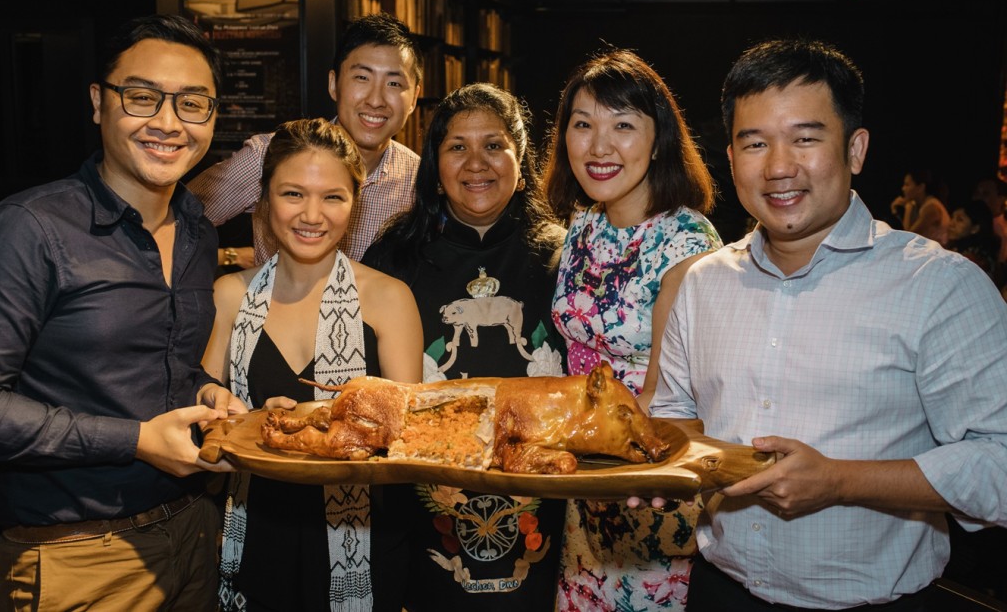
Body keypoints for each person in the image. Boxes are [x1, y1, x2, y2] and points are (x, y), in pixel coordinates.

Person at [649, 38, 1007, 610]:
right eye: (756, 143)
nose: (780, 166)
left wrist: (841, 480)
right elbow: (672, 413)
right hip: (721, 591)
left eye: (805, 138)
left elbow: (1001, 463)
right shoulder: (703, 283)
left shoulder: (939, 286)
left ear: (856, 149)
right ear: (732, 156)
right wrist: (660, 466)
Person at [0, 14, 245, 610]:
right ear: (100, 104)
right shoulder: (29, 230)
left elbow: (163, 368)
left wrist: (207, 395)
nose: (168, 123)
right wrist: (134, 440)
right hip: (78, 556)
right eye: (143, 97)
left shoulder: (198, 230)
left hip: (195, 534)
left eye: (192, 103)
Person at [202, 118, 423, 611]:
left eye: (333, 197)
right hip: (255, 538)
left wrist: (322, 430)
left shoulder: (389, 299)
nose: (312, 215)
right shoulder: (228, 296)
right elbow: (204, 435)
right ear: (263, 199)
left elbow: (407, 446)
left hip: (364, 547)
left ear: (355, 202)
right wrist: (245, 422)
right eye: (293, 194)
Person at [362, 83, 568, 611]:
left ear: (521, 160)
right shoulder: (394, 257)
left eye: (494, 145)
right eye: (457, 147)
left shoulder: (564, 255)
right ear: (434, 162)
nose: (477, 163)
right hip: (425, 507)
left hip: (543, 504)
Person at [542, 49, 721, 611]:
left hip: (651, 483)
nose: (600, 146)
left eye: (623, 126)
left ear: (659, 137)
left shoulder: (688, 246)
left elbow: (665, 396)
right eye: (583, 125)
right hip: (585, 487)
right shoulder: (582, 225)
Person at [189, 11, 423, 265]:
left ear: (414, 98)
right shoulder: (271, 155)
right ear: (334, 84)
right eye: (362, 78)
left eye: (394, 84)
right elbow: (177, 220)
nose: (375, 100)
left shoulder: (418, 179)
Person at [889, 168, 950, 245]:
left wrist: (908, 208)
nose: (903, 188)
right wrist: (897, 213)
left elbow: (909, 237)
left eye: (907, 185)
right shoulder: (917, 205)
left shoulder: (931, 208)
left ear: (920, 187)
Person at [945, 199, 999, 278]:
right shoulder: (957, 249)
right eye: (952, 217)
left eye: (960, 220)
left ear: (975, 228)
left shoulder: (974, 259)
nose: (951, 224)